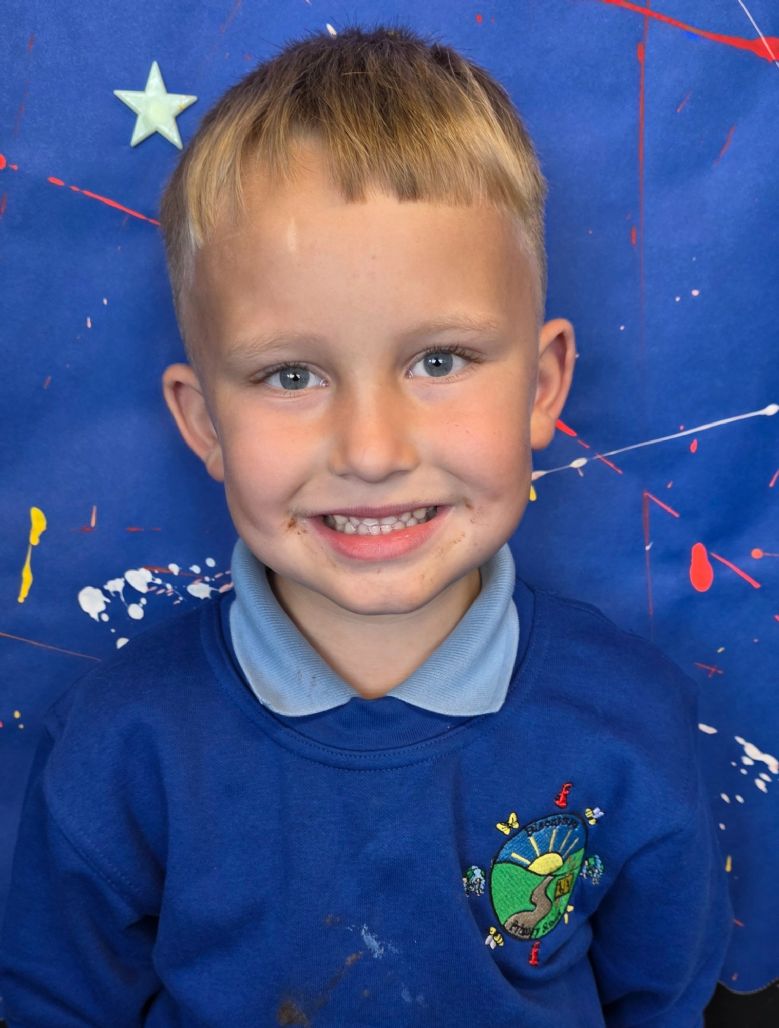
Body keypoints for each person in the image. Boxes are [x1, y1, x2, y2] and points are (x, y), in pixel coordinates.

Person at [0, 24, 731, 1026]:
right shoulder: (119, 745)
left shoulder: (629, 722)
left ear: (541, 386)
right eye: (289, 375)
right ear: (204, 422)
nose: (373, 449)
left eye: (439, 360)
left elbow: (663, 999)